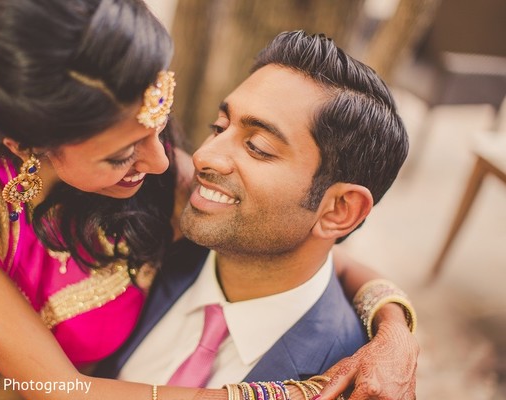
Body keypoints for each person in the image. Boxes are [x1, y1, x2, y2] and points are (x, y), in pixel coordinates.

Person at [0, 0, 416, 398]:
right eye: (124, 153)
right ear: (24, 142)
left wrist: (396, 329)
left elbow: (302, 236)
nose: (166, 163)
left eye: (160, 128)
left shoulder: (158, 175)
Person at [97, 31, 416, 400]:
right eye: (219, 127)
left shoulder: (351, 381)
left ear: (339, 210)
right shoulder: (156, 230)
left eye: (257, 147)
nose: (204, 156)